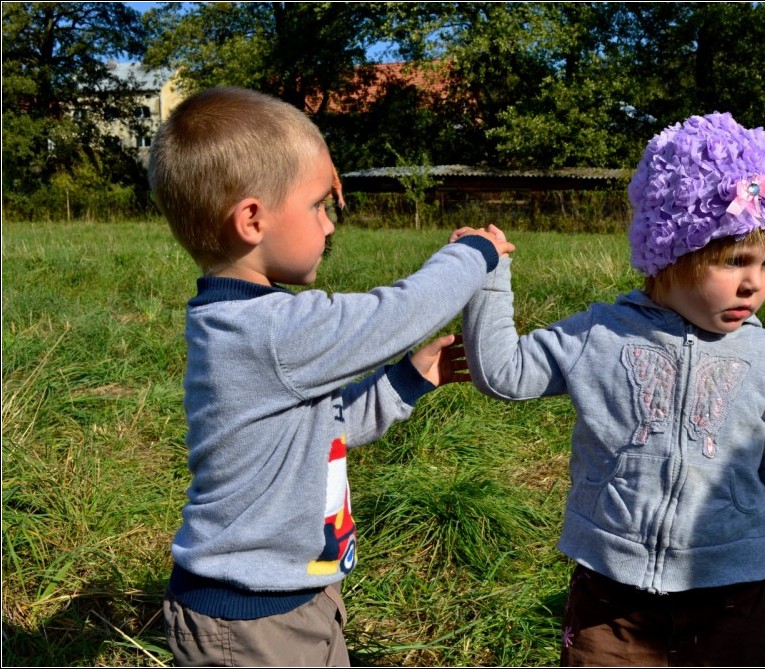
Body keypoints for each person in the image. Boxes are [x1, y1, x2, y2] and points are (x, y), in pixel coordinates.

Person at [148, 86, 514, 667]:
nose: (331, 224)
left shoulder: (252, 326)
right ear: (252, 219)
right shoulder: (269, 328)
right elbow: (395, 313)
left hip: (299, 595)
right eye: (320, 204)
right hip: (251, 621)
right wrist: (471, 255)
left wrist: (410, 379)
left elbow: (323, 431)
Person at [457, 112, 765, 666]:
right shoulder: (601, 334)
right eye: (734, 260)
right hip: (612, 605)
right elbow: (503, 373)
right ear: (672, 253)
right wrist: (485, 275)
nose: (754, 282)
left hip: (735, 598)